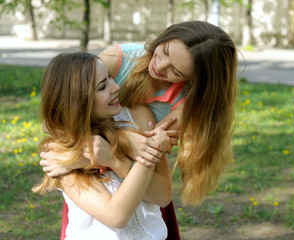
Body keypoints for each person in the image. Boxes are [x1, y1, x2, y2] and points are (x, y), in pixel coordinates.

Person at [40, 20, 238, 238]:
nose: (159, 66)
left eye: (175, 70)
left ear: (194, 80)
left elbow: (154, 163)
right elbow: (61, 109)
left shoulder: (184, 105)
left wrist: (110, 156)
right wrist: (125, 141)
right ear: (162, 38)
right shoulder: (117, 61)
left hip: (144, 193)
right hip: (95, 198)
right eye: (164, 51)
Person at [33, 52, 178, 239]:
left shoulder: (138, 118)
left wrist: (116, 161)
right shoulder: (63, 152)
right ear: (78, 102)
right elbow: (116, 215)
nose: (116, 87)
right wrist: (151, 151)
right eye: (102, 87)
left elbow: (163, 197)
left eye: (109, 77)